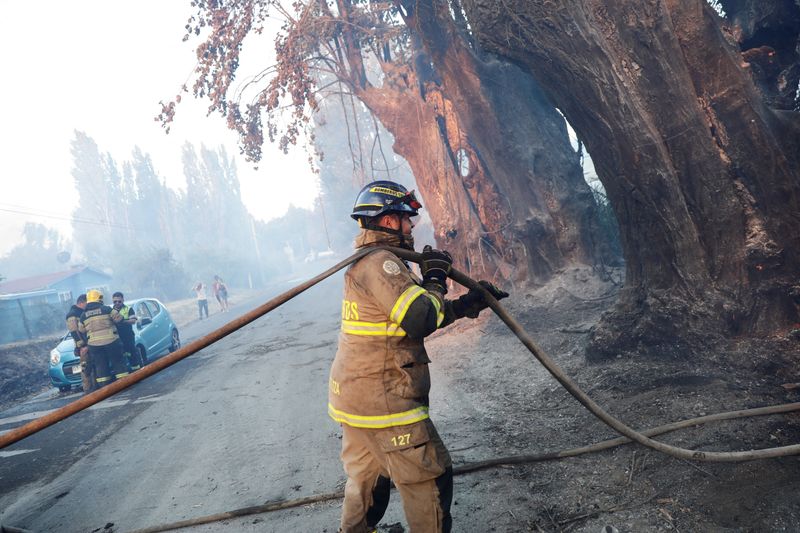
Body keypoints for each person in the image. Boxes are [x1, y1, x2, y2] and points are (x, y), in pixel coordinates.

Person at [328, 180, 508, 533]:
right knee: (430, 475)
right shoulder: (382, 264)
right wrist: (436, 278)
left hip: (353, 396)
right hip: (384, 400)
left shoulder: (368, 262)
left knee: (367, 476)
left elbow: (403, 320)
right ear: (389, 221)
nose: (412, 226)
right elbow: (420, 317)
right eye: (407, 219)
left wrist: (463, 306)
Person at [79, 289, 129, 390]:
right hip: (112, 342)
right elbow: (119, 319)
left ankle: (105, 387)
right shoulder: (107, 309)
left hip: (94, 345)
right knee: (118, 361)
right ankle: (124, 384)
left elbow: (81, 329)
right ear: (100, 299)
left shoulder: (83, 315)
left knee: (100, 364)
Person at [65, 293, 92, 392]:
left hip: (89, 344)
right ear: (81, 302)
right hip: (83, 347)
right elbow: (74, 332)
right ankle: (88, 389)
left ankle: (94, 387)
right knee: (84, 368)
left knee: (90, 366)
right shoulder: (72, 314)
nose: (88, 305)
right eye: (86, 303)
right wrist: (82, 345)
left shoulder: (81, 312)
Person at [112, 292, 140, 371]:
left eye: (119, 301)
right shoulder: (110, 311)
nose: (117, 303)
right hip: (117, 338)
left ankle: (136, 371)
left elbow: (133, 321)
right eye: (115, 301)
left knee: (132, 354)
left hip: (128, 337)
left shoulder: (128, 309)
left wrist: (122, 321)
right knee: (120, 357)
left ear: (123, 300)